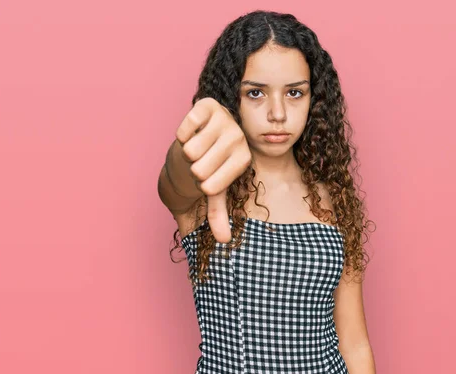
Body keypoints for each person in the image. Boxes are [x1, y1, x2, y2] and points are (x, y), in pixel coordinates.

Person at [158, 10, 376, 373]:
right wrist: (191, 148)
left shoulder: (333, 199)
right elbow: (173, 182)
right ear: (232, 98)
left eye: (294, 93)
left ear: (314, 99)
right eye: (256, 93)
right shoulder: (207, 190)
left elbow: (354, 342)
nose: (277, 113)